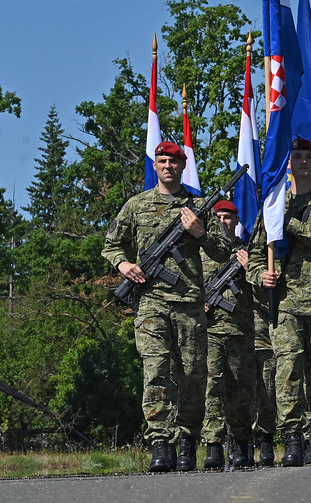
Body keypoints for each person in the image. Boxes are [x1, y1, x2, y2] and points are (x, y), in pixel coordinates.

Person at [103, 141, 232, 472]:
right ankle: (161, 443)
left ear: (182, 166)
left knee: (192, 375)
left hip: (189, 303)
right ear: (156, 165)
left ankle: (188, 439)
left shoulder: (199, 206)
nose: (168, 167)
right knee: (156, 371)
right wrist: (123, 265)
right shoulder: (137, 205)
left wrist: (200, 233)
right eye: (162, 161)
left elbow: (222, 251)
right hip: (150, 303)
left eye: (174, 162)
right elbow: (111, 244)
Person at [248, 138, 311, 467]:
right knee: (287, 370)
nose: (302, 162)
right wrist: (261, 274)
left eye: (308, 157)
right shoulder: (273, 204)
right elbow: (254, 257)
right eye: (296, 157)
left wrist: (286, 221)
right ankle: (291, 436)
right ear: (288, 163)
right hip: (286, 302)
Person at [201, 200, 255, 470]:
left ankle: (240, 442)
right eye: (219, 217)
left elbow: (267, 291)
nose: (223, 221)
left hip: (240, 331)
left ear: (236, 220)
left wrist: (251, 270)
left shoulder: (249, 252)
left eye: (228, 217)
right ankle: (213, 445)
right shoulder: (202, 253)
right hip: (209, 331)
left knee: (240, 391)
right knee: (211, 389)